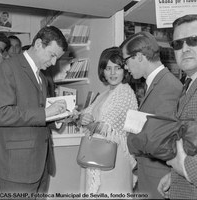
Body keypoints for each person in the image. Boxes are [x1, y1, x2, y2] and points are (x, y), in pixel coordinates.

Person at [0, 26, 68, 199]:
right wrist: (45, 113)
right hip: (17, 167)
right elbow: (1, 113)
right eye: (52, 55)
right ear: (38, 44)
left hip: (40, 165)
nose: (53, 63)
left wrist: (59, 116)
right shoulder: (7, 68)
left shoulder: (41, 77)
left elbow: (38, 115)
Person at [120, 31, 182, 199]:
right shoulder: (155, 83)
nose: (125, 67)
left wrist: (131, 137)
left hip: (159, 179)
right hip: (149, 176)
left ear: (139, 56)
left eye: (126, 61)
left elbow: (165, 141)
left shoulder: (168, 86)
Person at [79, 46, 138, 195]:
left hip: (115, 159)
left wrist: (88, 123)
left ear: (125, 69)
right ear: (102, 71)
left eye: (117, 68)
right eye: (108, 68)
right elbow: (86, 114)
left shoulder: (125, 92)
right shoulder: (105, 94)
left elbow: (107, 127)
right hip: (99, 156)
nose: (112, 73)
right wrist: (82, 118)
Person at [158, 14, 197, 199]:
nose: (185, 48)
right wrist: (174, 175)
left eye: (194, 40)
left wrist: (185, 169)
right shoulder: (187, 85)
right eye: (178, 44)